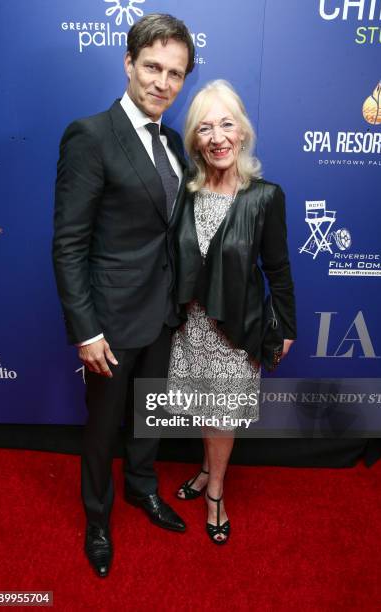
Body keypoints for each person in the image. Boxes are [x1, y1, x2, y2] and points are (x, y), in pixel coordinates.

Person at [52, 14, 195, 577]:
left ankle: (142, 488)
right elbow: (68, 244)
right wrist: (86, 329)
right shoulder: (90, 134)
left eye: (175, 73)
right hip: (109, 321)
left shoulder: (176, 143)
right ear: (129, 63)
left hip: (163, 312)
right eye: (153, 67)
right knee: (103, 426)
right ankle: (97, 517)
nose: (163, 82)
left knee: (148, 416)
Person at [167, 80, 296, 544]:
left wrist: (285, 324)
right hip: (192, 328)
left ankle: (215, 490)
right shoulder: (187, 191)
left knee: (222, 414)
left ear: (242, 132)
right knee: (206, 409)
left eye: (227, 124)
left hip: (234, 332)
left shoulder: (265, 197)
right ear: (195, 141)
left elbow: (278, 269)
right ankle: (206, 469)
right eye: (205, 128)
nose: (218, 136)